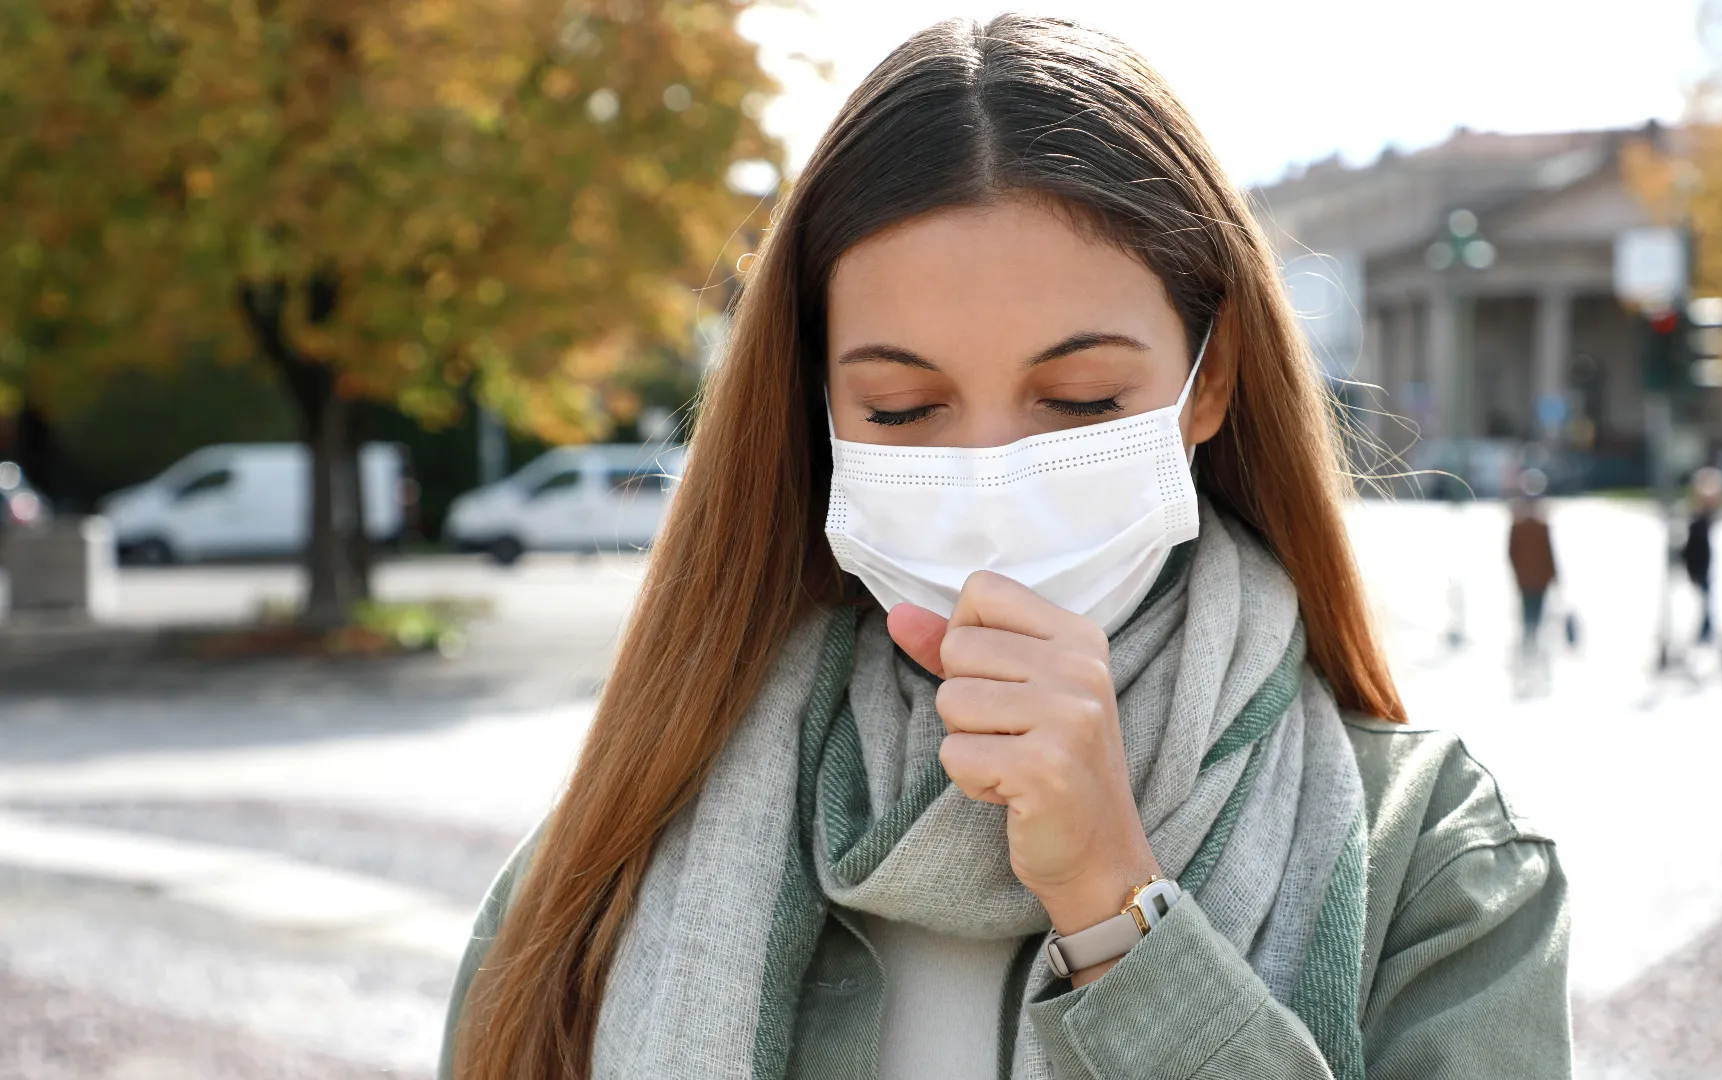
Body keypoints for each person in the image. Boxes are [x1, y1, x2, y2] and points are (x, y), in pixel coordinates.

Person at [439, 17, 1570, 1080]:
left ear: (1208, 380)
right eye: (900, 410)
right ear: (815, 407)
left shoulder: (1437, 861)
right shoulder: (614, 855)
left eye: (1079, 400)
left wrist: (1119, 905)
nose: (990, 477)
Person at [1508, 469, 1558, 694]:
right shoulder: (1536, 526)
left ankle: (1529, 654)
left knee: (1528, 621)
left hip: (1528, 581)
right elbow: (1549, 555)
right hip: (1536, 581)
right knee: (1534, 621)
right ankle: (1531, 656)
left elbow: (1511, 554)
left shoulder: (1521, 525)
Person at [1681, 467, 1722, 647]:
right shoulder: (1698, 522)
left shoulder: (1704, 521)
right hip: (1700, 568)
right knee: (1703, 604)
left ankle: (1706, 632)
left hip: (1703, 567)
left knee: (1706, 604)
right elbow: (1693, 549)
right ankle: (1704, 632)